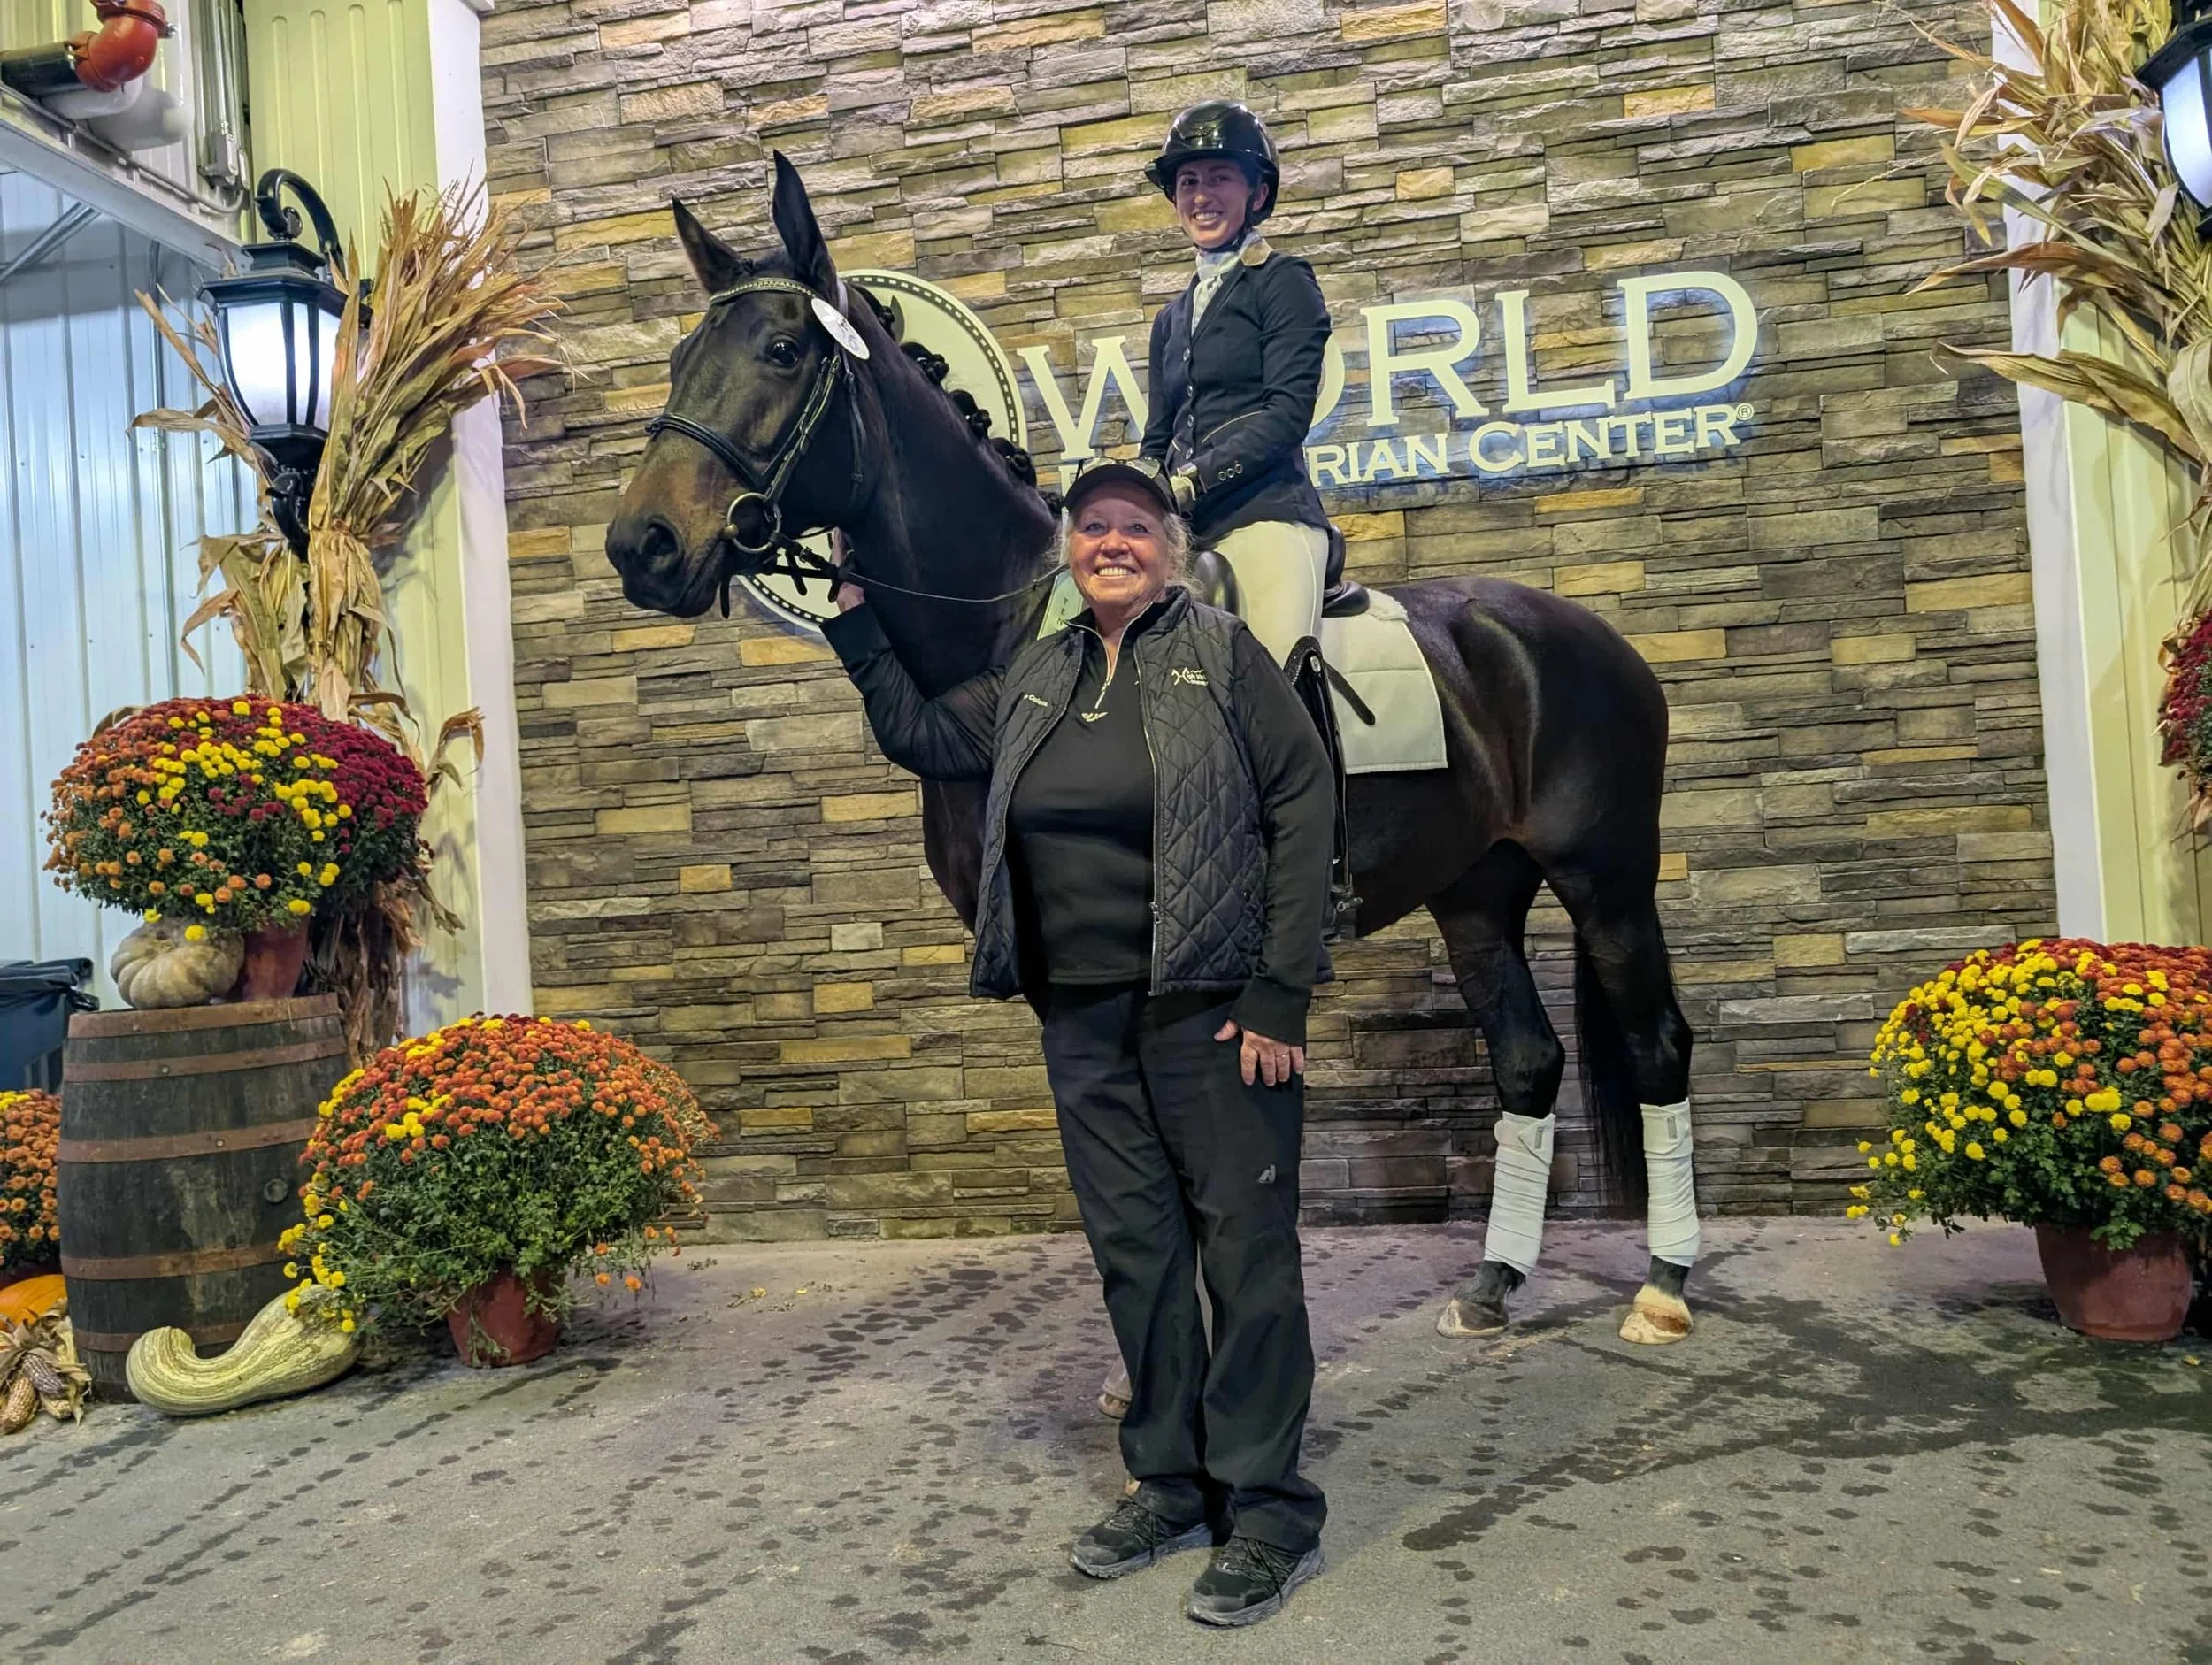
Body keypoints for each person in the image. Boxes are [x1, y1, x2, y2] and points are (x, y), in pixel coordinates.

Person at [821, 455, 1336, 1629]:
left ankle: (1269, 1510)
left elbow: (1303, 803)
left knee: (1245, 1256)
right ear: (1069, 548)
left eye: (1135, 526)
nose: (1113, 542)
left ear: (1170, 548)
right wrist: (855, 620)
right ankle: (1171, 1483)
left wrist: (1280, 993)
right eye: (1094, 525)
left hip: (1212, 1011)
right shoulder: (1037, 673)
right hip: (1082, 1017)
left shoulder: (1222, 654)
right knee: (1136, 1254)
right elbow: (921, 733)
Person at [1140, 101, 1333, 668]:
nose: (1201, 195)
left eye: (1220, 178)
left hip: (1268, 516)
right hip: (1185, 536)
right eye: (1189, 182)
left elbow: (1286, 415)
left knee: (1273, 670)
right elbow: (1158, 438)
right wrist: (1134, 491)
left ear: (1257, 193)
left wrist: (1190, 481)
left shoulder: (1283, 281)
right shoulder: (1170, 318)